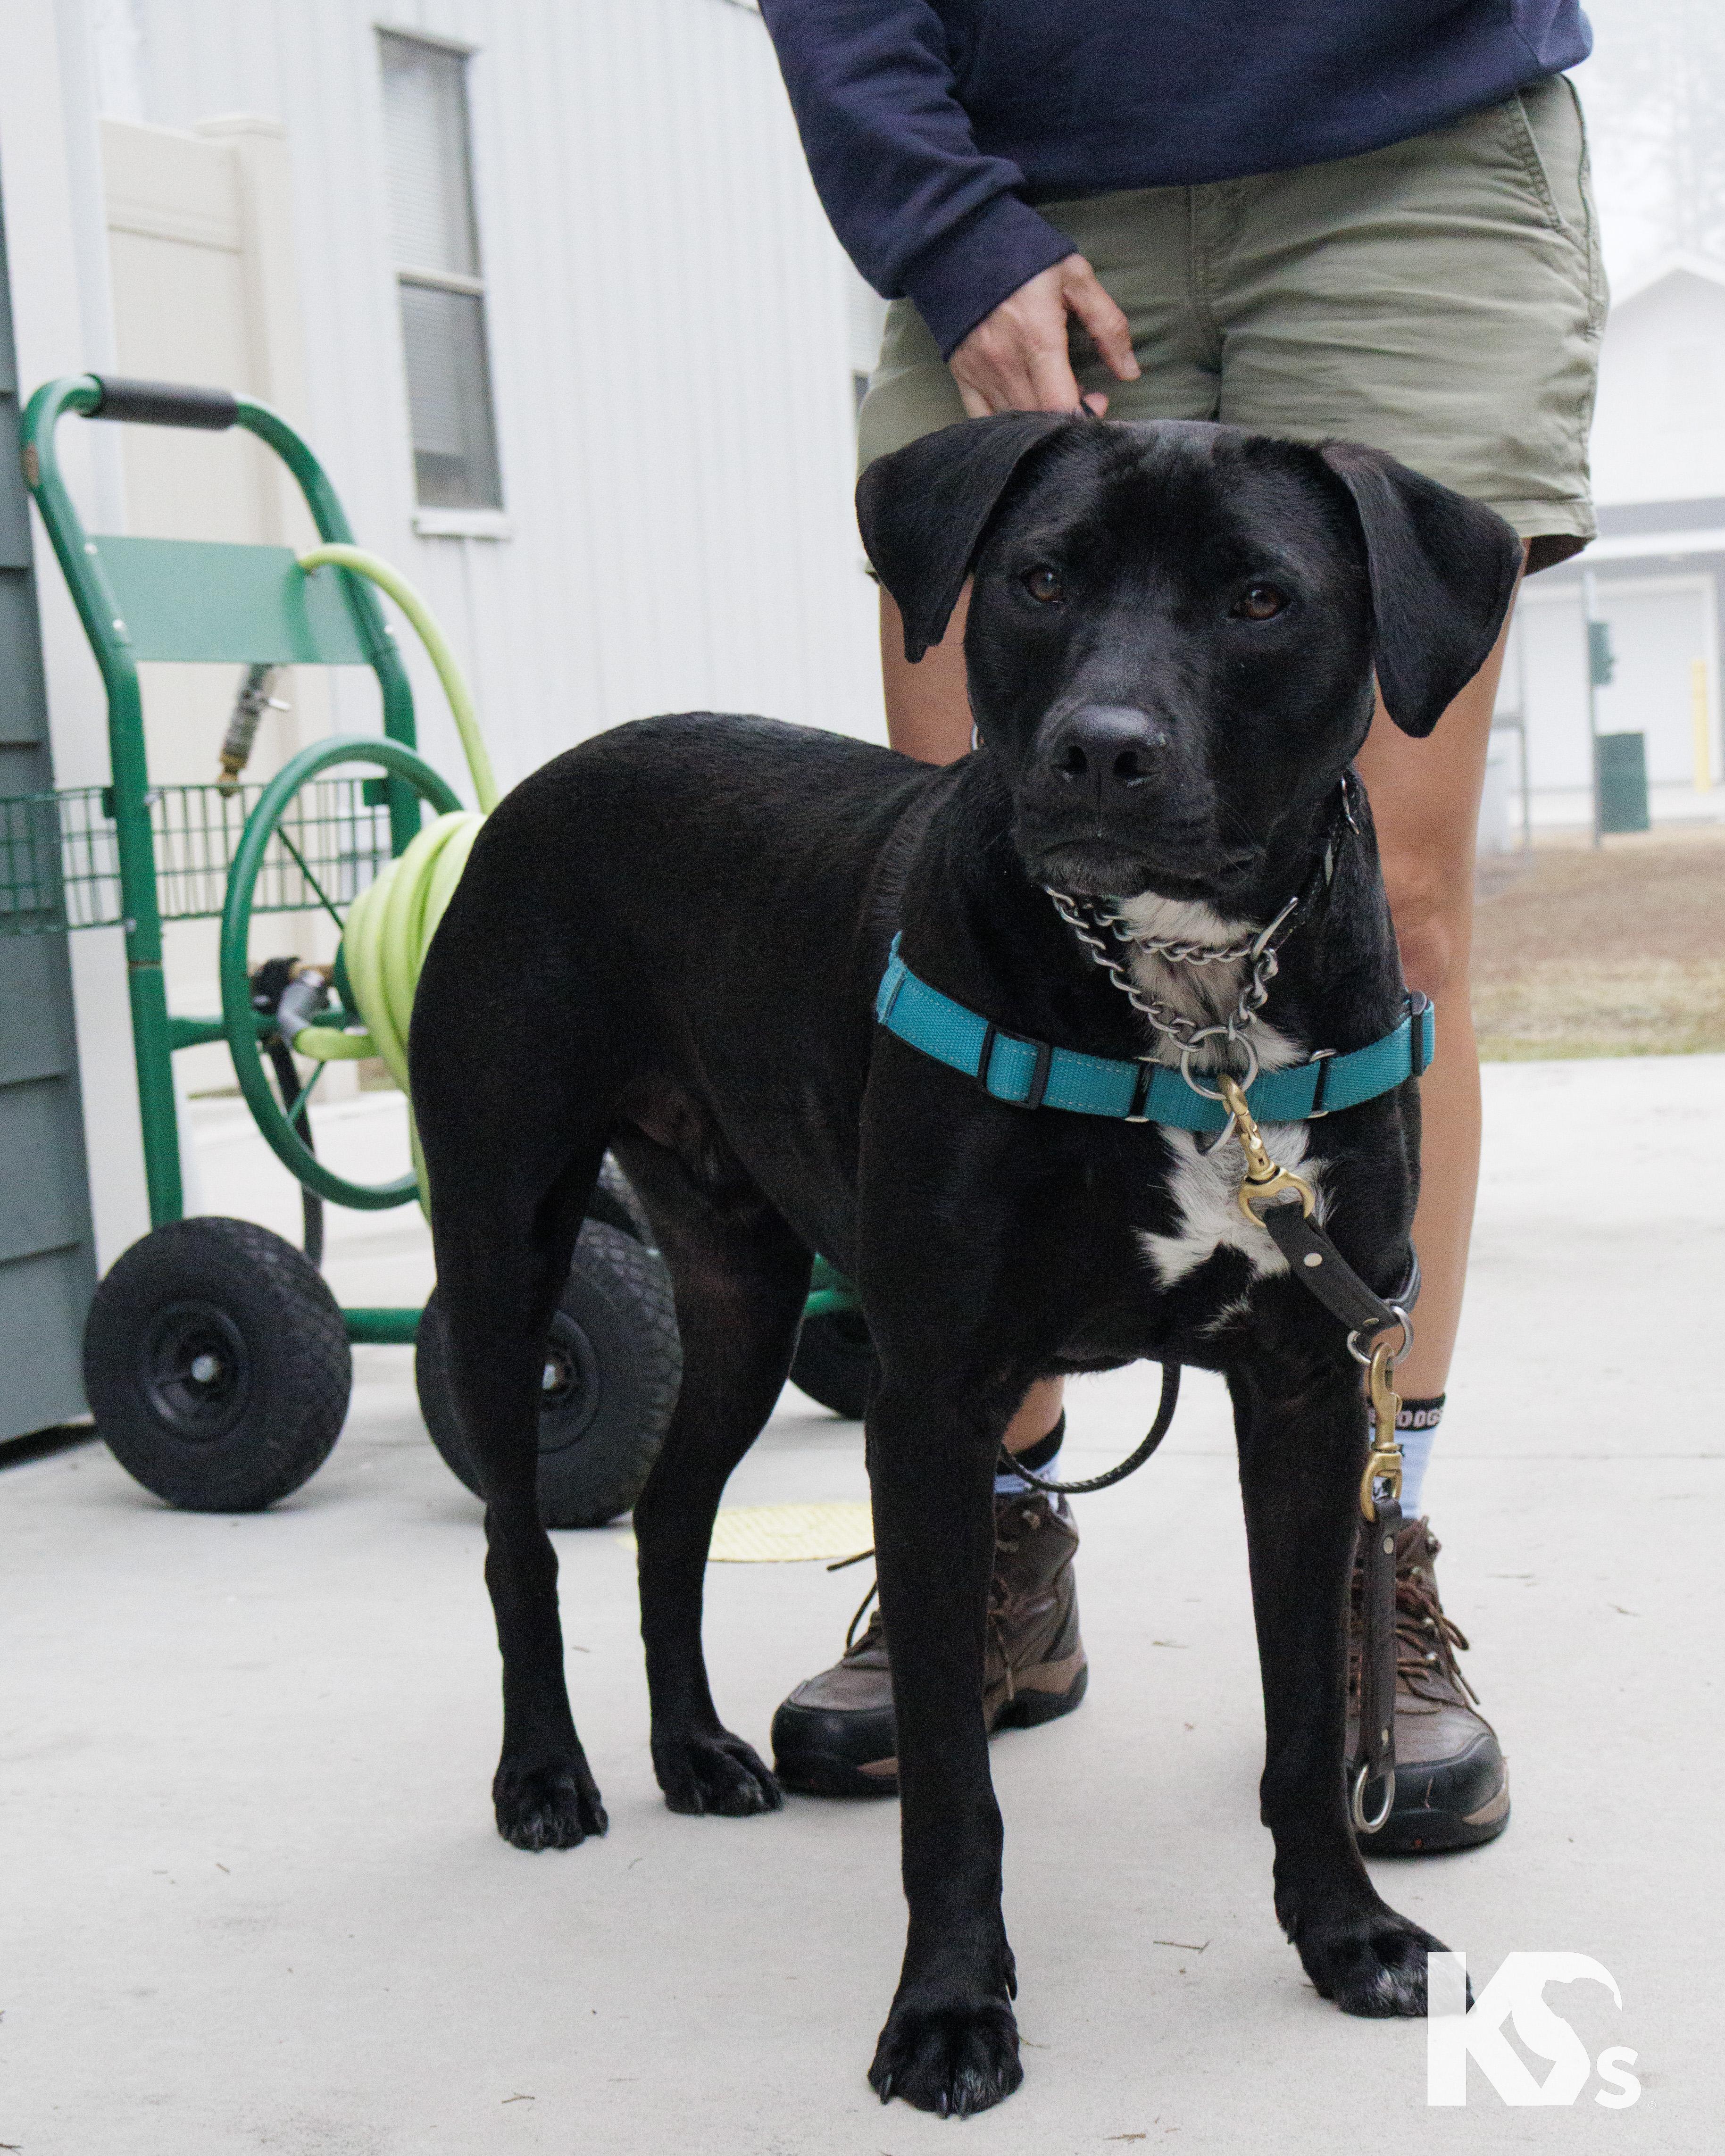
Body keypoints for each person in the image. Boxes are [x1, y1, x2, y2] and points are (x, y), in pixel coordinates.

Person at [757, 0, 1604, 1852]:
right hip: (1020, 160)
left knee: (1395, 921)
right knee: (975, 924)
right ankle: (989, 1538)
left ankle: (1369, 1551)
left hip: (1413, 148)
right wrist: (947, 228)